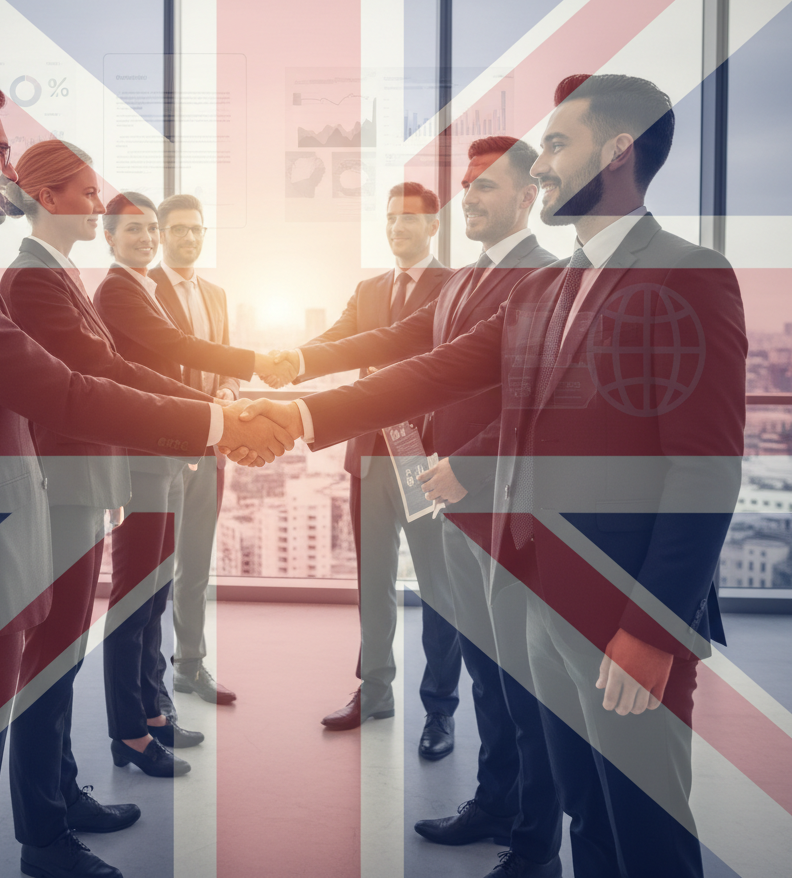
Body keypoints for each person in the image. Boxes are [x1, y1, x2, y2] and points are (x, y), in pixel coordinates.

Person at [243, 74, 746, 878]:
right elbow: (432, 371)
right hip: (535, 592)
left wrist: (652, 630)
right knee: (586, 815)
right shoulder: (547, 287)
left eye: (556, 145)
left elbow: (705, 469)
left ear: (617, 153)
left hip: (621, 611)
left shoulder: (687, 273)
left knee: (647, 832)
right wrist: (299, 416)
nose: (540, 166)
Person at [0, 68, 292, 878]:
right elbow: (62, 388)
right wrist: (223, 421)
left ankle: (46, 830)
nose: (9, 167)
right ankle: (45, 837)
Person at [273, 137, 563, 873]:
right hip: (451, 491)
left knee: (520, 683)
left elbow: (542, 398)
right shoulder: (471, 279)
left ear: (529, 196)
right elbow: (401, 342)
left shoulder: (543, 277)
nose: (470, 198)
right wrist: (295, 366)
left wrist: (458, 463)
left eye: (486, 188)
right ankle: (495, 803)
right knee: (493, 674)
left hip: (493, 501)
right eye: (465, 185)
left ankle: (532, 842)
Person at [0, 141, 232, 853]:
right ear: (50, 197)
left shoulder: (58, 273)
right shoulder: (36, 280)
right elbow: (104, 369)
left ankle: (64, 793)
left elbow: (120, 366)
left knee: (63, 655)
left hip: (87, 484)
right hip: (67, 488)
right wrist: (215, 416)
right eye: (89, 193)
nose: (101, 204)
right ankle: (45, 831)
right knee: (50, 664)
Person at [93, 192, 283, 776]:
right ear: (109, 237)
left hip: (173, 453)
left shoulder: (144, 287)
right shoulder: (119, 291)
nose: (148, 239)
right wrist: (248, 377)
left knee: (153, 595)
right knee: (134, 599)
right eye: (136, 231)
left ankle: (152, 713)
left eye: (152, 230)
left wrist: (220, 405)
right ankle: (129, 731)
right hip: (148, 457)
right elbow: (169, 357)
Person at [275, 181, 463, 755]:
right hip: (370, 451)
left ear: (433, 225)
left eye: (408, 219)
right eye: (388, 219)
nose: (396, 228)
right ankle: (375, 690)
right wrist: (287, 364)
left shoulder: (454, 287)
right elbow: (339, 341)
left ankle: (440, 711)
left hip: (422, 452)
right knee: (373, 581)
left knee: (438, 589)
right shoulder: (368, 288)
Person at [151, 194, 240, 706]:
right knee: (157, 567)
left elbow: (224, 358)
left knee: (196, 563)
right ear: (161, 234)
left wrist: (227, 391)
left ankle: (189, 665)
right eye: (179, 229)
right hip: (162, 446)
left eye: (197, 229)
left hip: (209, 445)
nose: (189, 237)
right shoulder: (145, 291)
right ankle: (149, 678)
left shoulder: (217, 295)